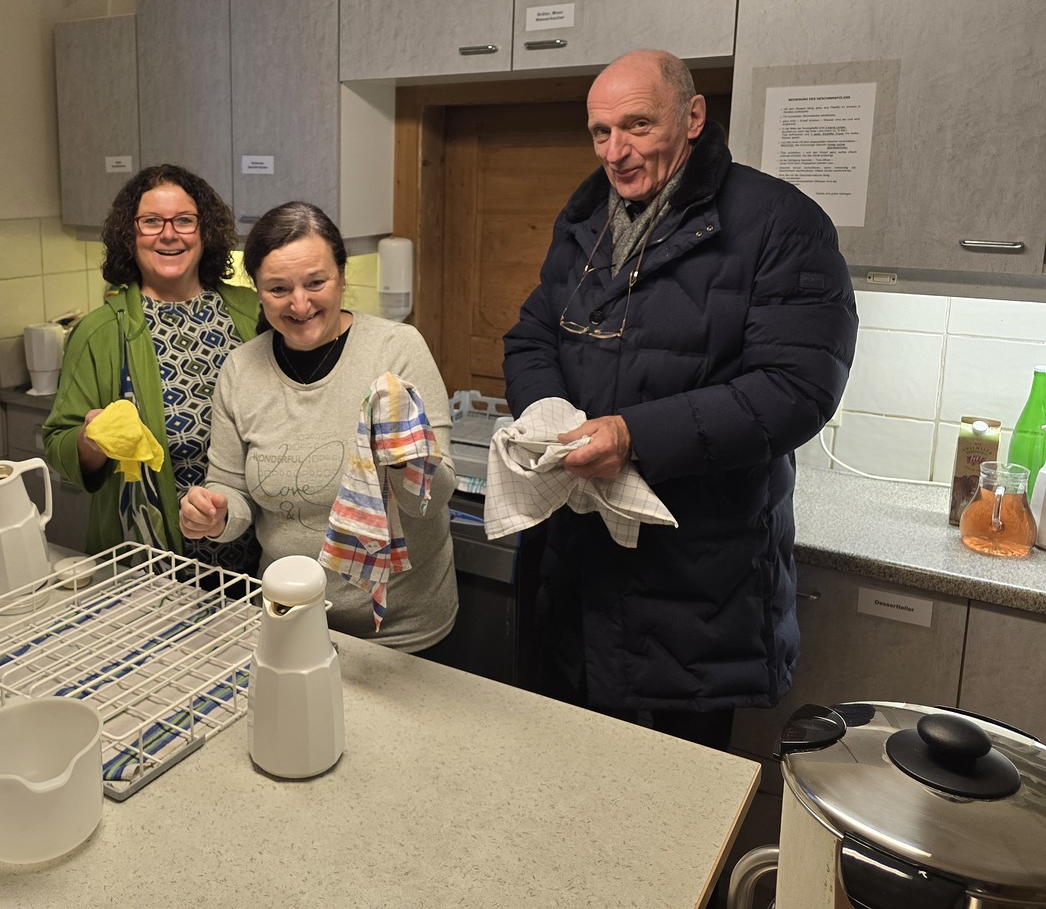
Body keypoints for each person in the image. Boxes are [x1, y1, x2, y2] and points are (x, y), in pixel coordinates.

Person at [501, 49, 858, 750]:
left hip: (697, 588)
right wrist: (546, 412)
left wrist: (634, 436)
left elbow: (796, 389)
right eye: (601, 132)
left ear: (693, 117)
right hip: (576, 573)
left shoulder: (779, 223)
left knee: (677, 798)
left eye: (638, 125)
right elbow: (533, 335)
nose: (616, 151)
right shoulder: (587, 220)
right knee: (564, 781)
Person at [180, 202, 458, 652]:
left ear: (342, 277)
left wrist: (406, 459)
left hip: (402, 632)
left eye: (316, 283)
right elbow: (231, 491)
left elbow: (433, 498)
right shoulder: (241, 369)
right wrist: (215, 514)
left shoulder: (396, 352)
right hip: (291, 619)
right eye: (278, 288)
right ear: (258, 291)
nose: (300, 304)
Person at [41, 165, 261, 568]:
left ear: (205, 231)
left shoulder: (252, 312)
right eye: (151, 222)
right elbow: (58, 444)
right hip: (149, 562)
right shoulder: (99, 332)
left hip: (258, 555)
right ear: (130, 234)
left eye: (184, 220)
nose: (169, 234)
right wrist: (90, 440)